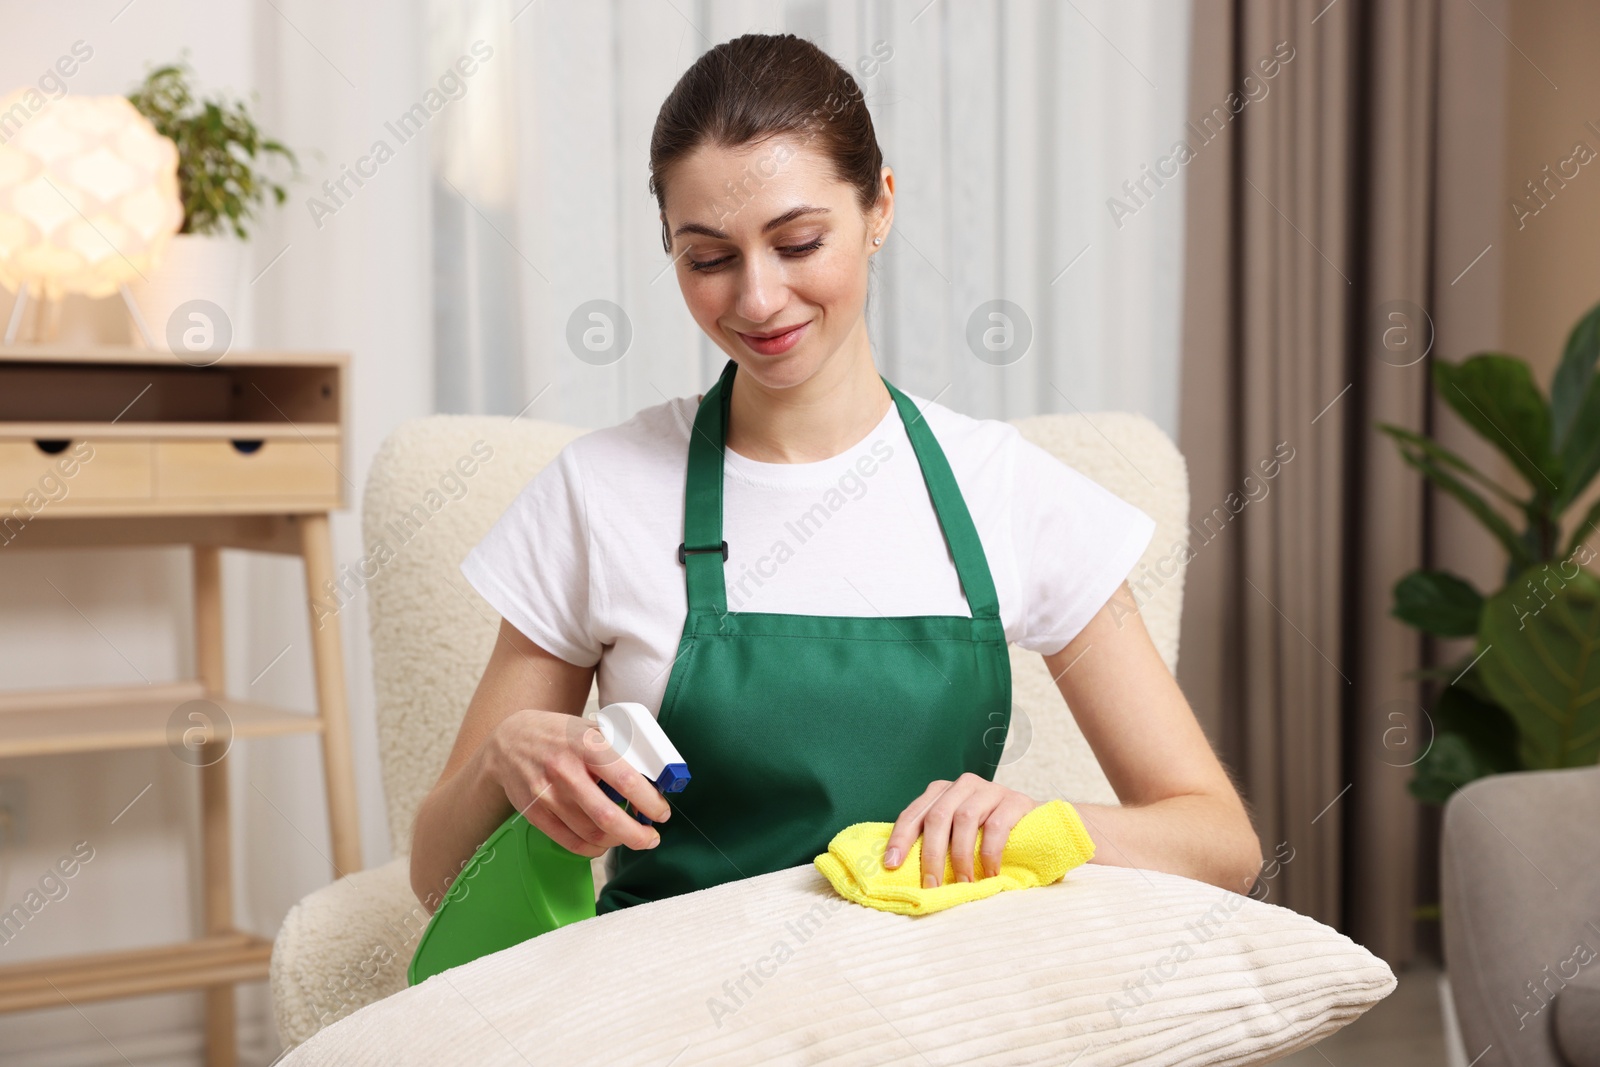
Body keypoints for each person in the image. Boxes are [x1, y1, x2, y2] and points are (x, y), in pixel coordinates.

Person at [409, 32, 1262, 916]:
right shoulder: (597, 492)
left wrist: (1044, 823)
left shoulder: (1005, 489)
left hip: (927, 1012)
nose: (759, 298)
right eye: (708, 257)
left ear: (880, 207)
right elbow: (435, 877)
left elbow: (1220, 844)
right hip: (674, 1011)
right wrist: (500, 756)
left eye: (800, 241)